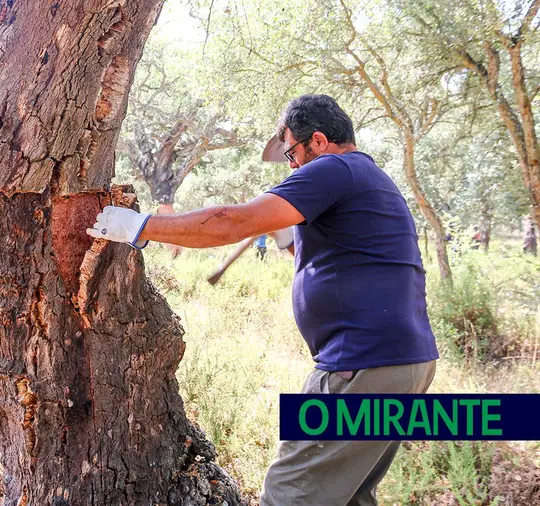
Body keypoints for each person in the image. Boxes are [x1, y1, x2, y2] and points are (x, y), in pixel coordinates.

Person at [87, 94, 438, 505]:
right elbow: (335, 258)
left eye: (291, 153)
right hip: (405, 363)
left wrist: (140, 226)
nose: (291, 165)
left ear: (319, 142)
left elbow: (230, 222)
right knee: (350, 496)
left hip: (362, 362)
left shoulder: (333, 169)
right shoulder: (368, 177)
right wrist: (286, 232)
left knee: (289, 494)